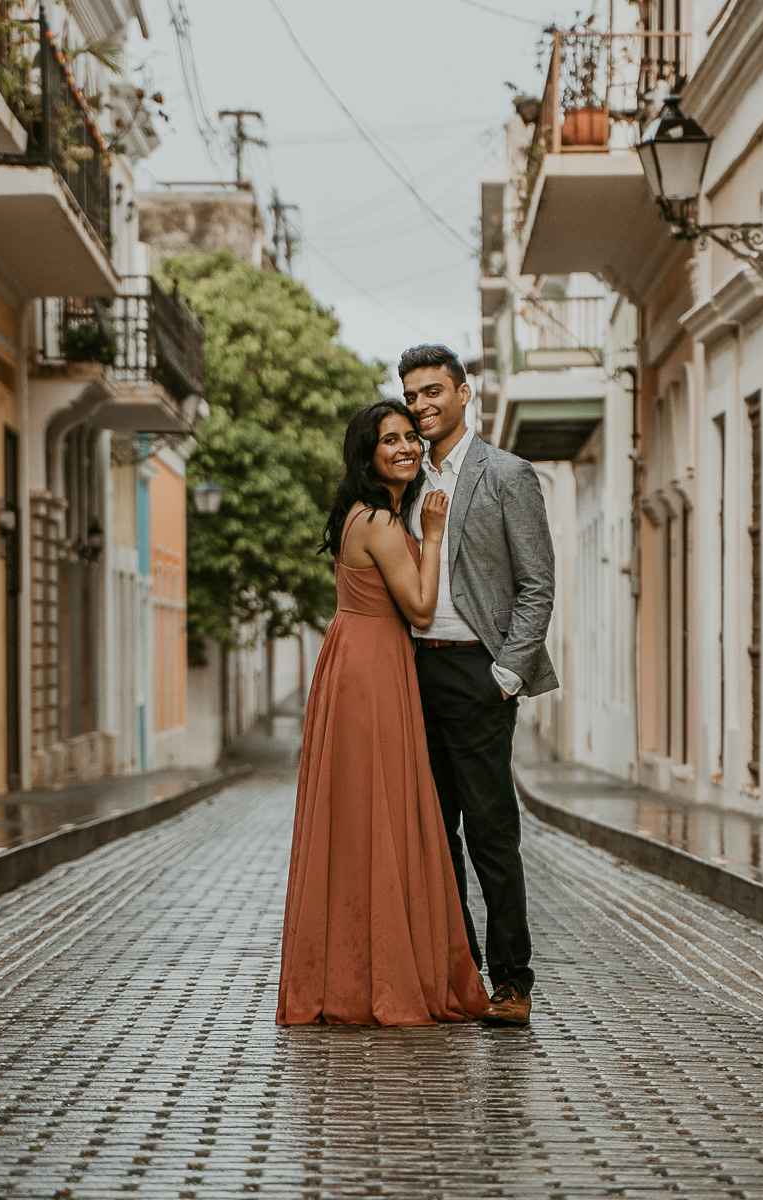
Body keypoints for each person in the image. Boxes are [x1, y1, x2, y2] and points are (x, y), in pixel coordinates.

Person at [275, 400, 492, 1027]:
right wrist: (433, 533)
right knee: (380, 814)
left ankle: (354, 970)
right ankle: (377, 979)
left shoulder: (363, 513)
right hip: (371, 671)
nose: (405, 447)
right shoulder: (379, 520)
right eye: (388, 440)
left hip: (358, 662)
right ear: (367, 454)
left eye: (408, 438)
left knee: (365, 818)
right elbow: (422, 609)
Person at [400, 344, 557, 1028]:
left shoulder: (507, 474)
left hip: (477, 673)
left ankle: (512, 982)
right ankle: (460, 976)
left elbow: (537, 584)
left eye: (434, 390)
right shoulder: (402, 479)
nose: (422, 405)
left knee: (491, 834)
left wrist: (505, 674)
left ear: (466, 393)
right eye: (411, 395)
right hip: (413, 673)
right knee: (434, 838)